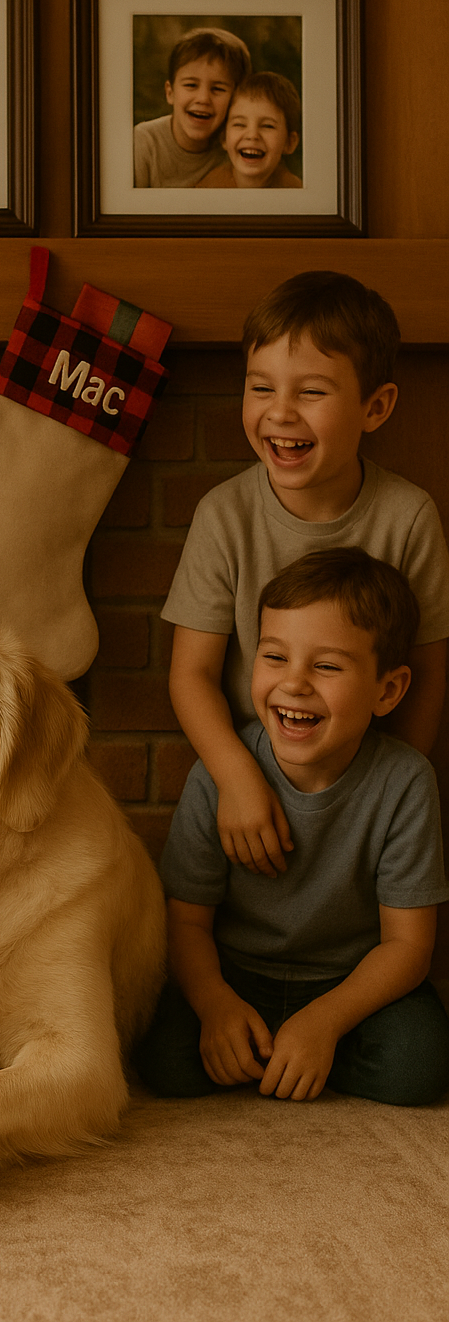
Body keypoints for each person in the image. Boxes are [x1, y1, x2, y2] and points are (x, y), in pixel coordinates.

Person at [136, 548, 449, 1105]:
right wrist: (214, 1004)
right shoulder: (220, 775)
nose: (295, 684)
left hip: (348, 983)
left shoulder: (404, 782)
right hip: (237, 973)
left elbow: (407, 947)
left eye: (326, 666)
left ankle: (295, 1050)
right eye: (275, 657)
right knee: (163, 1061)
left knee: (420, 1064)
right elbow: (184, 923)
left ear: (388, 690)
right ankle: (270, 1047)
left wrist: (325, 1022)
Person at [162, 270, 449, 877]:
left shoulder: (408, 517)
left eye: (312, 393)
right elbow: (191, 673)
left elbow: (424, 675)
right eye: (261, 387)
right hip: (253, 773)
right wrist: (236, 780)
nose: (280, 413)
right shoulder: (225, 516)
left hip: (360, 770)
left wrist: (386, 792)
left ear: (376, 407)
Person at [133, 27, 250, 188]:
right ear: (170, 92)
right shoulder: (144, 143)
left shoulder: (240, 147)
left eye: (218, 89)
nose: (203, 99)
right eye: (191, 85)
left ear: (237, 100)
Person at [197, 70, 302, 188]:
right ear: (224, 137)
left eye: (267, 126)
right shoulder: (208, 189)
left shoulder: (295, 190)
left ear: (289, 142)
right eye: (239, 124)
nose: (252, 135)